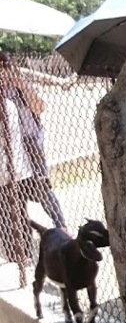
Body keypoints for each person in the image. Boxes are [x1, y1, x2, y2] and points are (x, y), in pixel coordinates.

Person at [0, 52, 67, 229]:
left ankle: (61, 226)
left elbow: (39, 107)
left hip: (29, 143)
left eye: (5, 69)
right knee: (12, 194)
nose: (3, 74)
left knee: (41, 188)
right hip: (7, 149)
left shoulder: (19, 87)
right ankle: (21, 236)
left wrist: (21, 84)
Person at [0, 60, 34, 288]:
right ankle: (15, 259)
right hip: (6, 169)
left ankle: (25, 259)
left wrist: (21, 82)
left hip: (15, 170)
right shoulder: (8, 104)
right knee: (5, 215)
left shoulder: (11, 104)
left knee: (19, 212)